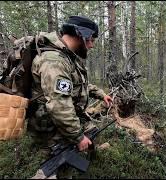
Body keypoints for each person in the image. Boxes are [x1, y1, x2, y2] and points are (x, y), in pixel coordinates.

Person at [28, 15, 113, 179]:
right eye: (91, 40)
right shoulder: (55, 61)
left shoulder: (67, 57)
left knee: (68, 162)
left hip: (61, 125)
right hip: (52, 130)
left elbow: (77, 85)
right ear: (81, 35)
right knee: (54, 169)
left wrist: (101, 94)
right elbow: (59, 105)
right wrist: (78, 137)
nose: (92, 45)